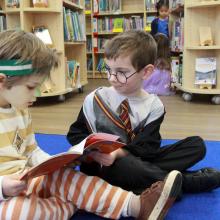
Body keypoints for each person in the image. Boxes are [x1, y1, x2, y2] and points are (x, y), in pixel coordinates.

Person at [0, 30, 182, 220]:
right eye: (30, 87)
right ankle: (70, 204)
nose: (35, 95)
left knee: (67, 179)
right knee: (18, 212)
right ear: (2, 81)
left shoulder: (20, 109)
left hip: (26, 178)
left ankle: (136, 205)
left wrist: (52, 164)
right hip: (5, 192)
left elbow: (31, 152)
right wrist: (3, 185)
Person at [67, 30, 220, 196]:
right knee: (126, 165)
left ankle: (150, 180)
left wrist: (119, 152)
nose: (112, 78)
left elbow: (148, 147)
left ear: (146, 72)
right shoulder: (95, 98)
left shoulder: (154, 106)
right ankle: (184, 182)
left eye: (122, 72)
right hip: (104, 166)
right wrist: (95, 154)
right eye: (108, 69)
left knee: (196, 145)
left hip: (138, 159)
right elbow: (75, 134)